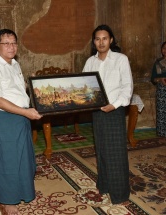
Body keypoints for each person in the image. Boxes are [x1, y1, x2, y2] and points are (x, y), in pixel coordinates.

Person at [0, 29, 42, 215]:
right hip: (5, 119)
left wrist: (35, 93)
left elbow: (18, 89)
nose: (11, 47)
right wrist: (25, 111)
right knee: (7, 159)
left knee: (23, 157)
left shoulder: (15, 64)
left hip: (22, 117)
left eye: (14, 42)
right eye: (6, 43)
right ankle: (8, 200)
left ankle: (24, 191)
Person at [82, 24, 133, 205]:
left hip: (114, 111)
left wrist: (115, 105)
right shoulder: (90, 62)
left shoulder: (120, 59)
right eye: (97, 39)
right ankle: (103, 185)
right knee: (101, 149)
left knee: (116, 153)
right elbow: (84, 86)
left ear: (111, 40)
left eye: (105, 38)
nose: (101, 42)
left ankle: (120, 195)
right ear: (94, 42)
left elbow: (127, 88)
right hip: (97, 112)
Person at [151, 41, 166, 137]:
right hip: (161, 91)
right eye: (164, 48)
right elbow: (153, 79)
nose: (165, 50)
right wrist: (160, 79)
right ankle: (162, 134)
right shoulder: (157, 63)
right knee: (161, 113)